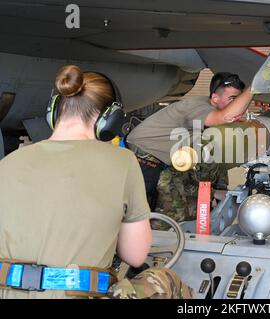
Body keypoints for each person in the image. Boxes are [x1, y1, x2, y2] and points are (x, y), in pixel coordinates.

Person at [0, 65, 187, 299]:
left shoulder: (9, 162)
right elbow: (136, 255)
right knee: (166, 281)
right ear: (111, 119)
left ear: (53, 110)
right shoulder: (123, 162)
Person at [125, 72, 254, 222]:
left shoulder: (208, 116)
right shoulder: (197, 107)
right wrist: (254, 88)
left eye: (239, 100)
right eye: (233, 99)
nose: (238, 105)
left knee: (179, 208)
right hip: (144, 158)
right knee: (146, 213)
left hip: (162, 162)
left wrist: (216, 191)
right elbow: (225, 117)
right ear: (214, 98)